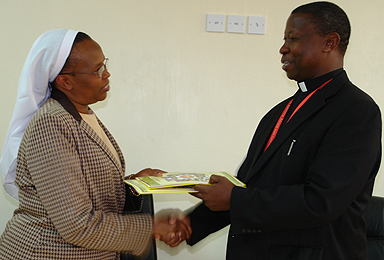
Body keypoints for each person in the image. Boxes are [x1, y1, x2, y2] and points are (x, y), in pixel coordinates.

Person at [182, 2, 382, 259]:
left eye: (294, 38)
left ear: (330, 43)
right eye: (284, 39)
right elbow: (248, 186)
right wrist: (190, 225)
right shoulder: (279, 113)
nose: (283, 48)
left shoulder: (357, 111)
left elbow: (321, 201)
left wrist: (234, 199)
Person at [0, 29, 190, 259]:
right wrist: (152, 226)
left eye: (105, 64)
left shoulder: (81, 115)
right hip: (46, 252)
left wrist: (133, 185)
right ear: (65, 81)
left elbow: (85, 186)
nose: (107, 74)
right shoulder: (51, 124)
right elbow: (76, 224)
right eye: (97, 70)